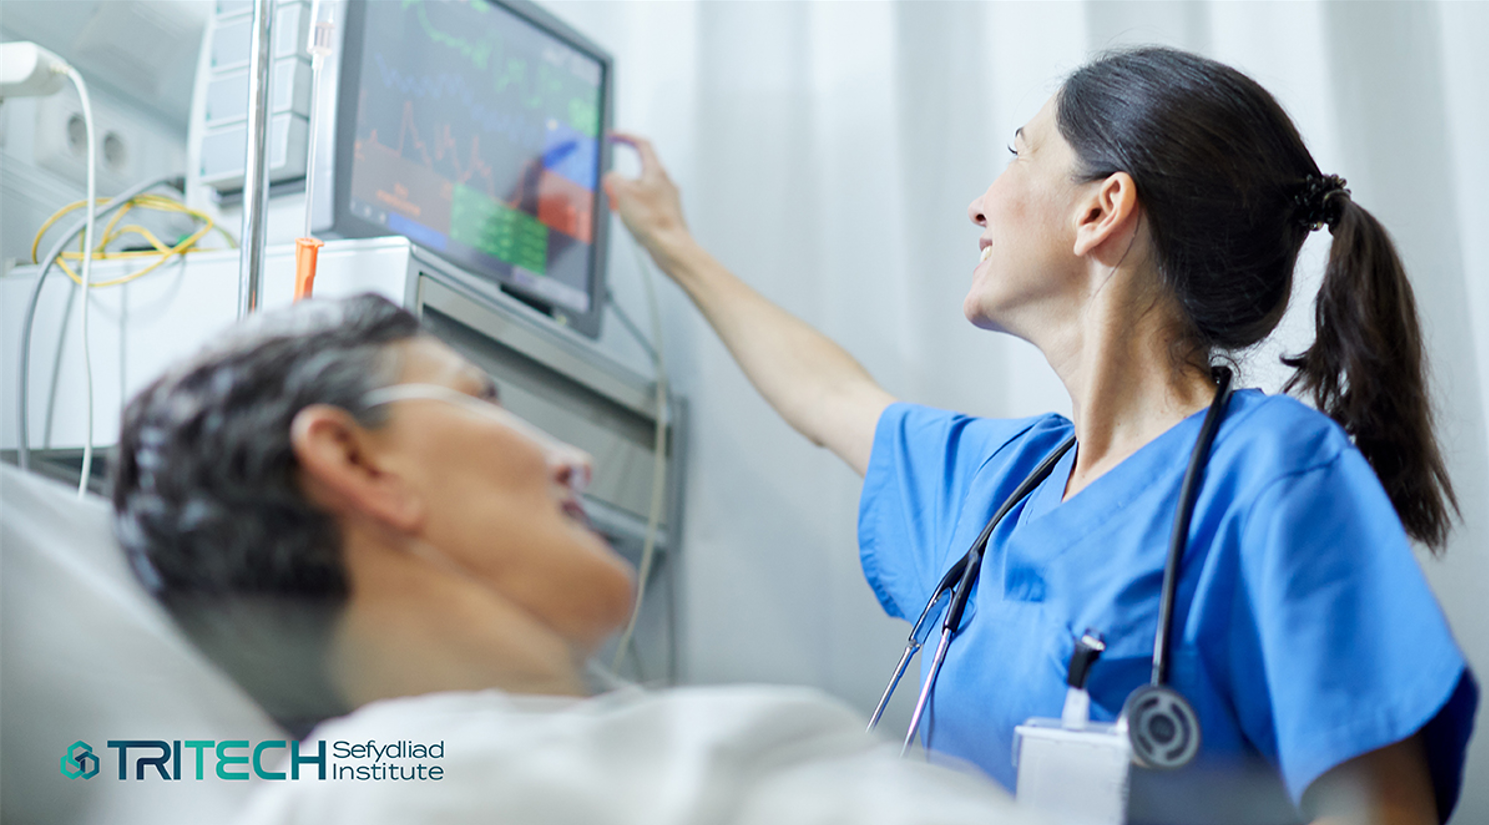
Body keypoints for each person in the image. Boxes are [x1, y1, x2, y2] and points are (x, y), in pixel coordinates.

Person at [601, 46, 1475, 824]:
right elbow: (826, 392)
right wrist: (671, 241)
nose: (979, 204)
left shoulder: (1271, 474)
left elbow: (1379, 808)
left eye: (1017, 154)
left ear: (1101, 209)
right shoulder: (998, 483)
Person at [110, 295, 1046, 825]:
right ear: (357, 461)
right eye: (480, 399)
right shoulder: (397, 790)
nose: (573, 458)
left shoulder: (577, 752)